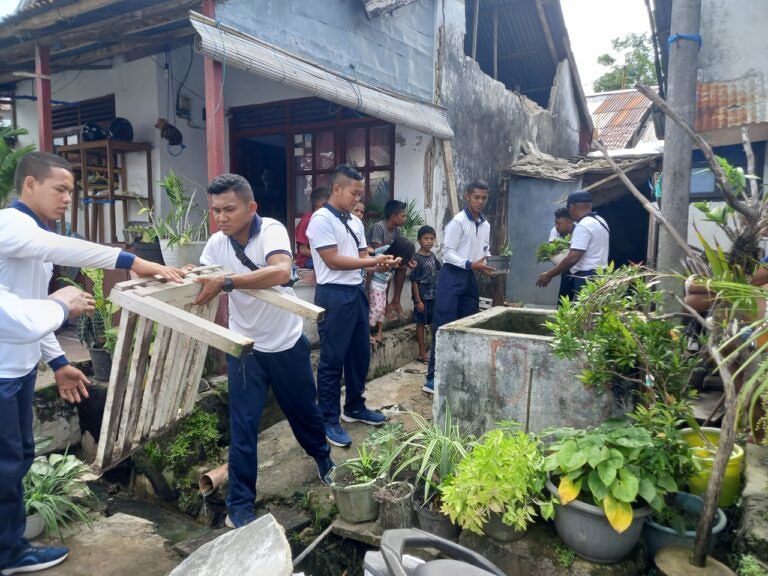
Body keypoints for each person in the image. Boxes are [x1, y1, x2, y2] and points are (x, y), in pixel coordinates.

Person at [0, 152, 182, 575]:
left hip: (22, 367)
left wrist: (60, 361)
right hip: (3, 372)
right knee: (7, 463)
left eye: (72, 191)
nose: (68, 199)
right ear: (29, 184)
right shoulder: (12, 226)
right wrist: (133, 261)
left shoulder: (33, 239)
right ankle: (8, 554)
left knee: (18, 457)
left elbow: (32, 309)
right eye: (60, 189)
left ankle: (9, 543)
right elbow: (46, 295)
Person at [190, 173, 335, 529]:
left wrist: (227, 281)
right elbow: (201, 273)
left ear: (250, 207)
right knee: (243, 426)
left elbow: (281, 270)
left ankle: (323, 459)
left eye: (228, 209)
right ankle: (240, 505)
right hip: (245, 348)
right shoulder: (217, 244)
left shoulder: (270, 230)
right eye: (216, 210)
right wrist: (183, 275)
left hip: (285, 342)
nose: (221, 217)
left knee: (303, 412)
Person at [307, 165, 399, 448]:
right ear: (337, 189)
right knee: (332, 359)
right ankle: (329, 418)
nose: (357, 198)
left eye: (360, 193)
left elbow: (362, 258)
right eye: (354, 192)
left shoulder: (355, 222)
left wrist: (382, 263)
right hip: (333, 295)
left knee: (360, 353)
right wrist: (371, 262)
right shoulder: (320, 220)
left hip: (356, 292)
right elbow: (333, 260)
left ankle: (355, 406)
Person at [424, 181, 496, 394]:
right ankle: (432, 377)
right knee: (443, 325)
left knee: (467, 324)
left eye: (484, 198)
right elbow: (447, 253)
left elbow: (484, 249)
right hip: (451, 276)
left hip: (470, 277)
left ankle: (458, 371)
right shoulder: (457, 222)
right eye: (476, 197)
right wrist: (470, 263)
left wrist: (488, 262)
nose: (480, 201)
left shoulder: (485, 225)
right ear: (467, 196)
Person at [536, 191, 609, 296]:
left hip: (586, 277)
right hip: (601, 274)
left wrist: (549, 275)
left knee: (584, 311)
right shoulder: (601, 221)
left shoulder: (583, 225)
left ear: (573, 206)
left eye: (568, 207)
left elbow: (573, 258)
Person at [0, 285, 94, 344]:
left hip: (28, 363)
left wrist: (57, 360)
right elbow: (17, 323)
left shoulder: (45, 263)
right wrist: (62, 305)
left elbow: (43, 327)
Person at [368, 237, 416, 346]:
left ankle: (379, 332)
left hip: (383, 286)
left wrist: (408, 262)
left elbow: (377, 250)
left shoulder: (388, 251)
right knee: (376, 309)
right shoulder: (382, 259)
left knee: (381, 309)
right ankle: (367, 332)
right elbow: (370, 271)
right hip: (375, 286)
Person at [367, 200, 410, 321]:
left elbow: (398, 249)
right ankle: (384, 306)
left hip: (387, 258)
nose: (405, 218)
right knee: (389, 268)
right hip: (372, 259)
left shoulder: (397, 230)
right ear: (393, 217)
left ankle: (396, 301)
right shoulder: (379, 227)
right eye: (403, 216)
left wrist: (407, 260)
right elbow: (378, 251)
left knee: (403, 267)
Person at [410, 226, 440, 363]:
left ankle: (433, 350)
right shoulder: (417, 258)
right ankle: (422, 352)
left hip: (434, 296)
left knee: (434, 323)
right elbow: (414, 281)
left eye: (432, 239)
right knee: (421, 324)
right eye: (426, 238)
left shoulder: (433, 256)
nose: (429, 241)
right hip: (422, 296)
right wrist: (418, 301)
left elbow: (439, 271)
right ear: (419, 240)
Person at [295, 186, 330, 269]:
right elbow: (303, 250)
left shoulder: (327, 220)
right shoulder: (307, 221)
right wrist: (324, 257)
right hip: (307, 259)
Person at [547, 207, 576, 304]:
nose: (556, 226)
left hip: (581, 270)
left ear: (569, 222)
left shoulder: (580, 230)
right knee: (563, 301)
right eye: (555, 223)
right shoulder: (555, 231)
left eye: (559, 223)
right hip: (565, 268)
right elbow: (552, 251)